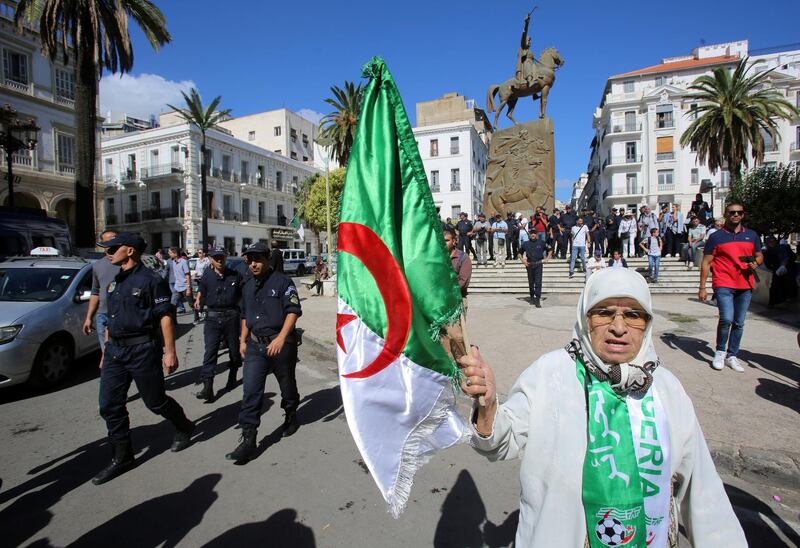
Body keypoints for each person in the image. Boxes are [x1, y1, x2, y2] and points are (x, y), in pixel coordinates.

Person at [459, 268, 746, 547]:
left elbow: (704, 496)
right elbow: (499, 443)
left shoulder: (665, 388)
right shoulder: (551, 373)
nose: (618, 328)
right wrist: (488, 405)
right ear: (586, 319)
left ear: (647, 323)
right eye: (605, 312)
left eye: (633, 315)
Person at [92, 233, 194, 485]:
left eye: (113, 248)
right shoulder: (115, 282)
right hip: (116, 351)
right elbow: (111, 320)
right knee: (109, 405)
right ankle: (123, 455)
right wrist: (106, 351)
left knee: (155, 401)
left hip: (142, 349)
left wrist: (170, 351)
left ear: (129, 251)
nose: (108, 252)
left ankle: (183, 425)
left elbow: (165, 317)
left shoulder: (151, 280)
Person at [227, 243, 302, 463]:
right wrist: (242, 339)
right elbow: (245, 315)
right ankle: (249, 440)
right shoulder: (248, 285)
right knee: (250, 391)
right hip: (255, 347)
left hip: (281, 344)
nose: (253, 264)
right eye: (249, 260)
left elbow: (293, 311)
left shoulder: (282, 282)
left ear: (267, 259)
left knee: (287, 386)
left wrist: (280, 338)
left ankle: (291, 414)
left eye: (257, 259)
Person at [699, 202, 763, 372]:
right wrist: (702, 287)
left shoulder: (752, 235)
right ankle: (720, 351)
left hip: (745, 284)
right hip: (723, 282)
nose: (736, 215)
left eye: (739, 212)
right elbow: (706, 262)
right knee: (726, 318)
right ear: (726, 214)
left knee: (739, 322)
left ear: (743, 215)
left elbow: (759, 256)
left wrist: (756, 264)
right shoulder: (716, 237)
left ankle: (732, 355)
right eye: (732, 212)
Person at [193, 246, 243, 402]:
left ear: (226, 258)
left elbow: (244, 295)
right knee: (210, 352)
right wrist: (198, 299)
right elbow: (202, 289)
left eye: (222, 257)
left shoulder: (235, 275)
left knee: (235, 352)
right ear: (210, 259)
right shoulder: (207, 275)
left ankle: (233, 375)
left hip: (232, 318)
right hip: (212, 319)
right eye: (216, 258)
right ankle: (208, 387)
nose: (219, 260)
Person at [82, 230, 120, 355]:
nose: (109, 243)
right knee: (107, 354)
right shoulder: (97, 265)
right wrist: (89, 318)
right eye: (106, 241)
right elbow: (95, 292)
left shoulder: (126, 263)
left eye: (113, 239)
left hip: (121, 314)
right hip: (102, 315)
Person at [440, 228, 472, 358]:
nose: (443, 243)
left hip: (457, 301)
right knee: (443, 337)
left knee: (456, 335)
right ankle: (450, 368)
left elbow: (463, 282)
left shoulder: (463, 258)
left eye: (447, 240)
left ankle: (464, 363)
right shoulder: (437, 257)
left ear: (454, 241)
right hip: (440, 302)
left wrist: (444, 289)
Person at [518, 226, 551, 307]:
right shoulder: (525, 243)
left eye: (534, 233)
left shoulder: (541, 242)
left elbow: (550, 250)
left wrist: (547, 258)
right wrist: (523, 261)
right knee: (531, 282)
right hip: (529, 265)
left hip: (538, 264)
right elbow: (519, 253)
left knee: (538, 282)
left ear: (536, 234)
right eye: (531, 233)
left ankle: (537, 299)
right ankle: (532, 296)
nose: (533, 234)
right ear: (529, 234)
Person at [762, 236, 797, 307]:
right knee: (775, 285)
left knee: (789, 280)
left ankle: (789, 297)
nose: (772, 243)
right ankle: (772, 303)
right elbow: (768, 264)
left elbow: (793, 257)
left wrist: (785, 264)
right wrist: (777, 268)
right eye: (770, 242)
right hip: (777, 270)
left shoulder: (784, 247)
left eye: (773, 241)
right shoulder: (767, 252)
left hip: (789, 268)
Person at [166, 247, 192, 317]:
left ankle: (197, 316)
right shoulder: (173, 262)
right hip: (177, 287)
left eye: (170, 253)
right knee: (173, 304)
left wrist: (188, 288)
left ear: (175, 254)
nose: (169, 254)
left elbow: (187, 275)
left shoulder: (184, 262)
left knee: (191, 304)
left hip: (185, 286)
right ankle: (174, 322)